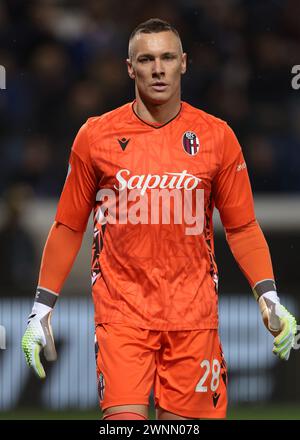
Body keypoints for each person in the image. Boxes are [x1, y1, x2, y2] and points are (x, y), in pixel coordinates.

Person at [22, 18, 297, 420]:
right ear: (130, 68)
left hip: (193, 319)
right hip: (122, 317)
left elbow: (242, 226)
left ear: (183, 63)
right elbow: (67, 226)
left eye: (167, 57)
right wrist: (41, 308)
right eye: (146, 59)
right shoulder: (95, 137)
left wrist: (268, 294)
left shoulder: (217, 137)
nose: (158, 68)